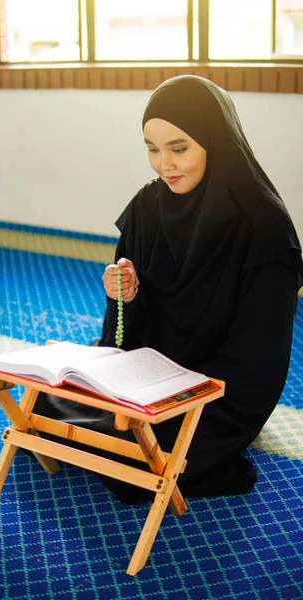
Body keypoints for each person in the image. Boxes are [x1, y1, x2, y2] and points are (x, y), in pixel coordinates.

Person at [32, 75, 303, 503]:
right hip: (148, 369)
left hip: (219, 387)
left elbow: (259, 362)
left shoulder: (264, 230)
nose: (164, 165)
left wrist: (183, 391)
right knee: (45, 405)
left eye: (179, 149)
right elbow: (121, 336)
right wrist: (124, 296)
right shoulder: (148, 206)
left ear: (216, 142)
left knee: (136, 461)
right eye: (152, 148)